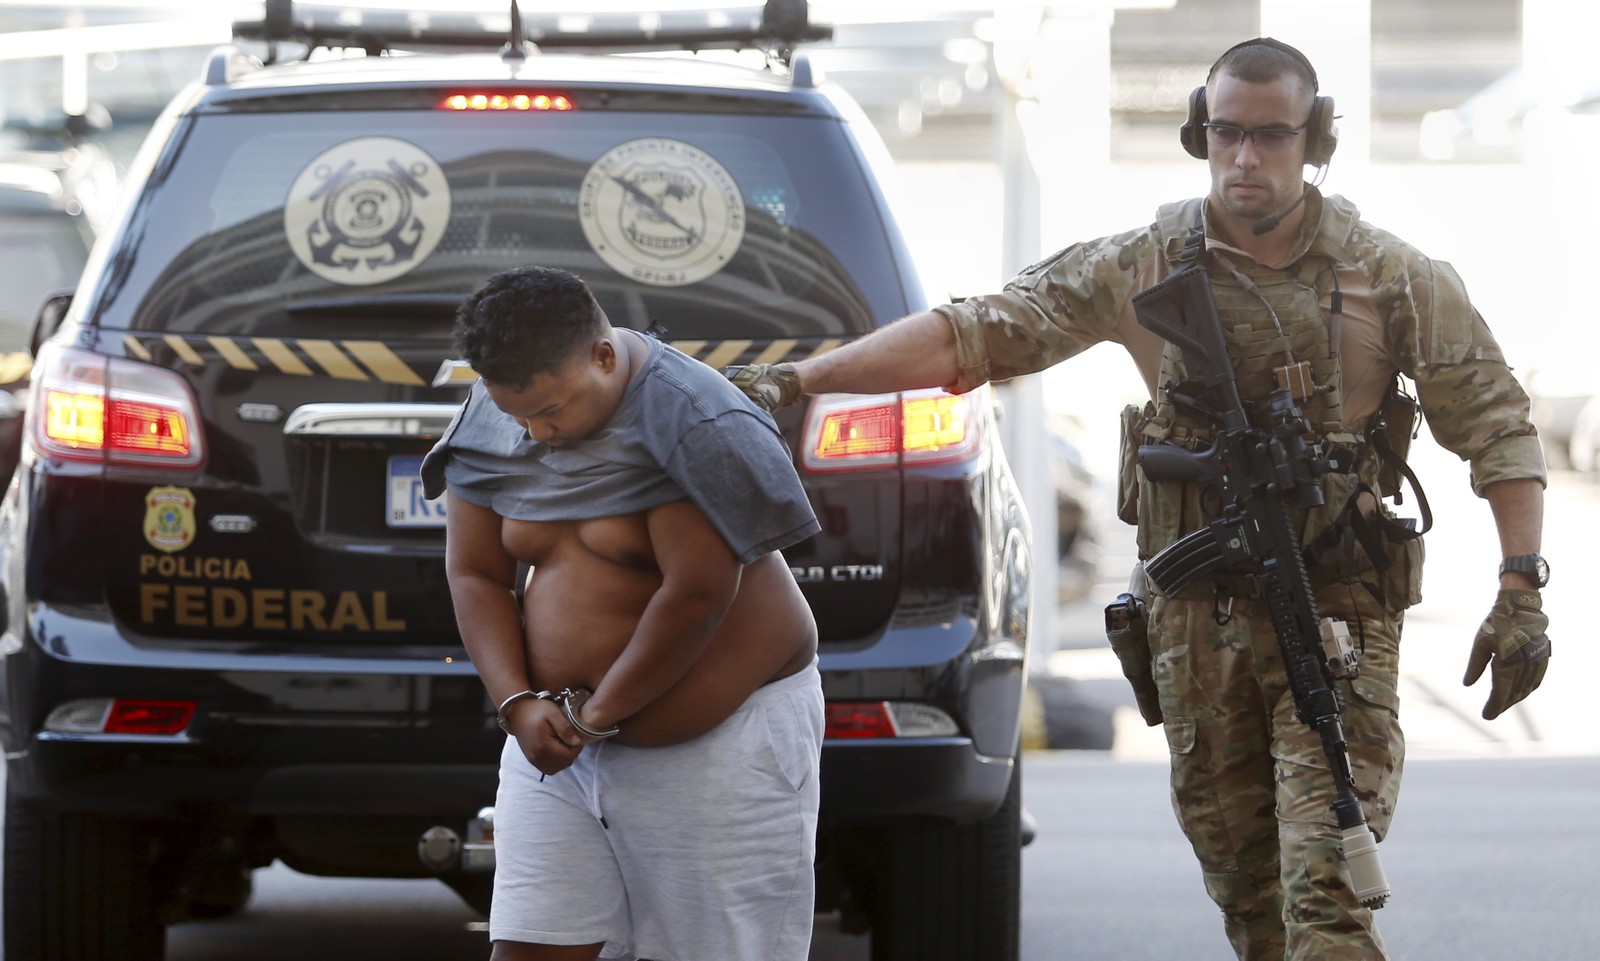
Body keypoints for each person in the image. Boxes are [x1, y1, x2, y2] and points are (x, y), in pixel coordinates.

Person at [726, 37, 1551, 961]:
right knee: (1249, 902)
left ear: (1315, 140)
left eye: (1271, 137)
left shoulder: (1392, 277)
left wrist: (1522, 585)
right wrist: (798, 383)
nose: (1245, 158)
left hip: (1336, 621)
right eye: (1228, 133)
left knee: (1325, 899)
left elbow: (1496, 425)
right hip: (1195, 630)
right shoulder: (1146, 264)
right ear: (1202, 132)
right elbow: (977, 334)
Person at [421, 265, 824, 961]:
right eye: (518, 414)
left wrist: (597, 713)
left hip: (723, 746)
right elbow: (476, 570)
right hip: (560, 747)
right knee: (528, 949)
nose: (536, 433)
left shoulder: (691, 420)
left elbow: (697, 594)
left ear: (603, 356)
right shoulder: (499, 413)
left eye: (551, 410)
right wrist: (516, 702)